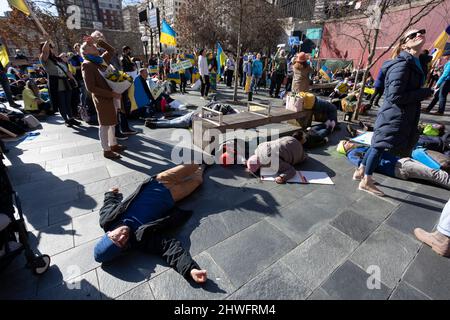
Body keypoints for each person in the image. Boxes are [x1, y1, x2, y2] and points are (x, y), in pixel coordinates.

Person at [94, 164, 208, 284]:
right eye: (121, 243)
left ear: (108, 233)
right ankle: (203, 166)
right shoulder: (140, 240)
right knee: (197, 180)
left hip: (158, 181)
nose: (123, 237)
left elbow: (107, 205)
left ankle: (203, 160)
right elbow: (168, 248)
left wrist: (110, 194)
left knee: (192, 164)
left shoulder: (107, 219)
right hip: (173, 196)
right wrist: (190, 269)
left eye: (115, 238)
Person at [354, 29, 433, 197]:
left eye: (421, 32)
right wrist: (424, 93)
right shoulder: (403, 63)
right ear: (404, 44)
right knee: (379, 146)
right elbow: (395, 96)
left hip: (398, 113)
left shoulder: (417, 62)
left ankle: (361, 170)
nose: (418, 35)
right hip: (395, 114)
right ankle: (366, 181)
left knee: (377, 144)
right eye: (412, 35)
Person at [81, 31, 125, 160]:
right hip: (102, 97)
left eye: (94, 45)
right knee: (105, 124)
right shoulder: (87, 65)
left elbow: (111, 50)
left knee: (112, 122)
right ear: (86, 52)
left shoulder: (100, 60)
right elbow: (91, 88)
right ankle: (106, 150)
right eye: (90, 46)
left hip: (112, 95)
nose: (94, 46)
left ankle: (113, 144)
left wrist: (98, 41)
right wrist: (112, 94)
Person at [346, 143, 450, 190]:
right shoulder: (351, 154)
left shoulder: (359, 148)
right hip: (398, 166)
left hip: (400, 161)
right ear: (344, 149)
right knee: (434, 174)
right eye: (345, 143)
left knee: (432, 174)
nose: (348, 142)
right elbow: (361, 164)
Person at [39, 40, 80, 127]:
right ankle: (66, 120)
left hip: (66, 82)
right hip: (56, 84)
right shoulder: (44, 59)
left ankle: (71, 118)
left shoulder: (57, 59)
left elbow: (67, 70)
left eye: (51, 48)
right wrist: (47, 41)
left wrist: (73, 79)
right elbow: (45, 51)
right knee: (62, 103)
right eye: (50, 47)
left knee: (69, 102)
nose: (51, 49)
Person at [70, 43, 88, 114]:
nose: (79, 49)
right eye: (77, 48)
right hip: (80, 77)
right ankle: (82, 106)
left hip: (88, 76)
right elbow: (74, 68)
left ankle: (86, 105)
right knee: (83, 92)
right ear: (75, 49)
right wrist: (83, 66)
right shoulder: (74, 58)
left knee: (87, 92)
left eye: (80, 47)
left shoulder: (86, 56)